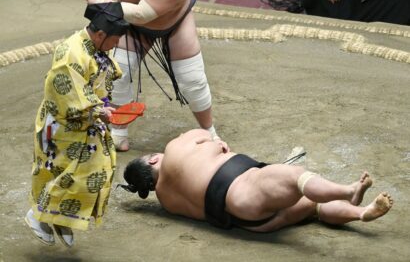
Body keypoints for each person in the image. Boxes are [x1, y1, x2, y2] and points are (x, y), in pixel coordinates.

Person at [86, 0, 218, 152]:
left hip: (174, 21)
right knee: (119, 72)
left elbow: (142, 14)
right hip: (131, 24)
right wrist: (98, 1)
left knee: (192, 80)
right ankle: (118, 132)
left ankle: (210, 131)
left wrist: (103, 3)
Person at [120, 129, 393, 232]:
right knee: (298, 177)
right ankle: (349, 192)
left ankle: (362, 213)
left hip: (247, 221)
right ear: (152, 160)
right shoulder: (174, 148)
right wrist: (216, 144)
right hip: (242, 185)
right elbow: (214, 140)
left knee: (313, 205)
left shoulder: (166, 201)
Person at [25, 3, 130, 247]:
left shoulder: (95, 47)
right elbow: (67, 94)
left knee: (95, 170)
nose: (116, 46)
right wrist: (97, 110)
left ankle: (62, 219)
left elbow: (99, 82)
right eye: (114, 41)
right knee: (72, 173)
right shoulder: (71, 53)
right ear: (101, 34)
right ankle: (38, 215)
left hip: (85, 122)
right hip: (63, 124)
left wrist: (104, 105)